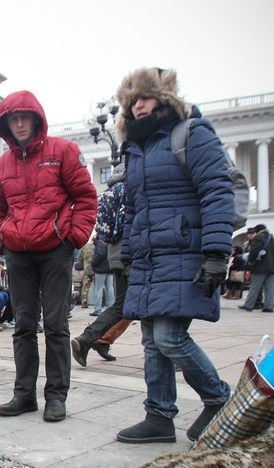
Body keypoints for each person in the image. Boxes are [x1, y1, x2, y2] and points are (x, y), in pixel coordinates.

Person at [113, 68, 232, 444]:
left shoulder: (193, 134)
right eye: (131, 101)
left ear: (164, 98)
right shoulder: (135, 149)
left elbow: (217, 190)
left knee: (168, 337)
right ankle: (159, 416)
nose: (138, 105)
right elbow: (133, 208)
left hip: (185, 253)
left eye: (145, 97)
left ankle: (218, 399)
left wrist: (216, 252)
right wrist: (128, 255)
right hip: (151, 258)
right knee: (151, 340)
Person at [0, 90, 97, 423]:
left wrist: (73, 237)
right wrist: (0, 237)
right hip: (18, 251)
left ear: (36, 119)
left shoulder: (63, 151)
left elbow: (86, 197)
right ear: (6, 124)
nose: (19, 124)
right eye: (12, 119)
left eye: (24, 117)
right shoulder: (1, 165)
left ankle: (56, 396)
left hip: (54, 249)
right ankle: (24, 395)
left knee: (55, 324)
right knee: (22, 325)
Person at [71, 164, 130, 366]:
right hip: (133, 252)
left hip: (116, 254)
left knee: (124, 303)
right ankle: (168, 351)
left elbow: (103, 232)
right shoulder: (131, 189)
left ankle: (97, 340)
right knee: (129, 303)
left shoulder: (108, 193)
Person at [239, 224, 274, 313]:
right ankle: (269, 306)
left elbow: (254, 251)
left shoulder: (258, 238)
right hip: (271, 267)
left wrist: (251, 261)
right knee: (270, 287)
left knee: (255, 286)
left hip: (260, 266)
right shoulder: (272, 238)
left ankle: (249, 305)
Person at [90, 239, 114, 317]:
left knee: (99, 288)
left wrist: (93, 263)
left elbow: (100, 254)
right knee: (110, 288)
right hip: (110, 267)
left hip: (100, 268)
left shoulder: (101, 241)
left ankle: (98, 309)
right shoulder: (111, 240)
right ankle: (110, 308)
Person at [75, 237, 97, 309]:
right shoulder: (98, 246)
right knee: (99, 287)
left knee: (85, 287)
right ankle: (102, 301)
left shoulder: (85, 246)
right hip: (96, 269)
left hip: (87, 269)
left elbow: (80, 258)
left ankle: (84, 302)